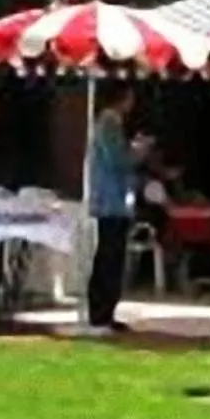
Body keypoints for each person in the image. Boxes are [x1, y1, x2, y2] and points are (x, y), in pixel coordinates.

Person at [85, 84, 139, 332]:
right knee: (110, 255)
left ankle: (105, 310)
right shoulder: (109, 123)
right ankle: (100, 310)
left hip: (112, 201)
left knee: (111, 255)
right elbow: (118, 160)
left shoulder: (108, 123)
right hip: (111, 201)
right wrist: (138, 151)